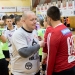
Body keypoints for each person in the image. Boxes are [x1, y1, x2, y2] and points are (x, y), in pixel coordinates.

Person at [11, 11, 44, 75]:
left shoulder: (34, 31)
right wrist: (39, 45)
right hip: (21, 73)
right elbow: (24, 52)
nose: (35, 22)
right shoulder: (18, 33)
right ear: (23, 21)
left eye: (35, 19)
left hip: (35, 72)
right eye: (32, 20)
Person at [46, 6, 75, 75]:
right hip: (72, 67)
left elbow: (50, 58)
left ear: (49, 18)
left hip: (61, 70)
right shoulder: (66, 29)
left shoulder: (54, 33)